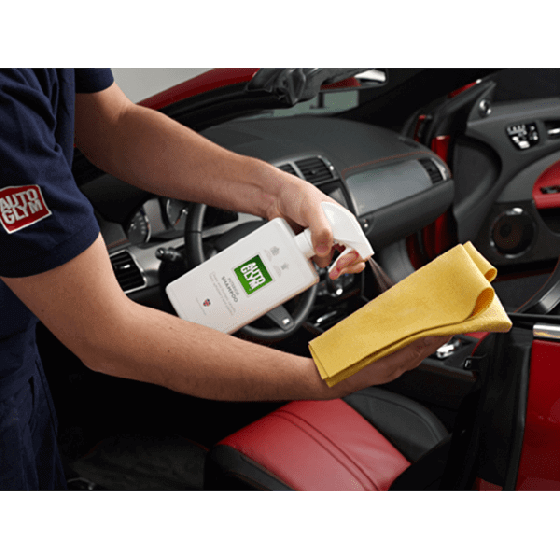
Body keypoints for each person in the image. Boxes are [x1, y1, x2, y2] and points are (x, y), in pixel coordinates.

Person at [0, 68, 448, 490]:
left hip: (22, 358)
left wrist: (280, 191)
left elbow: (113, 122)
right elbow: (104, 333)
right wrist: (323, 377)